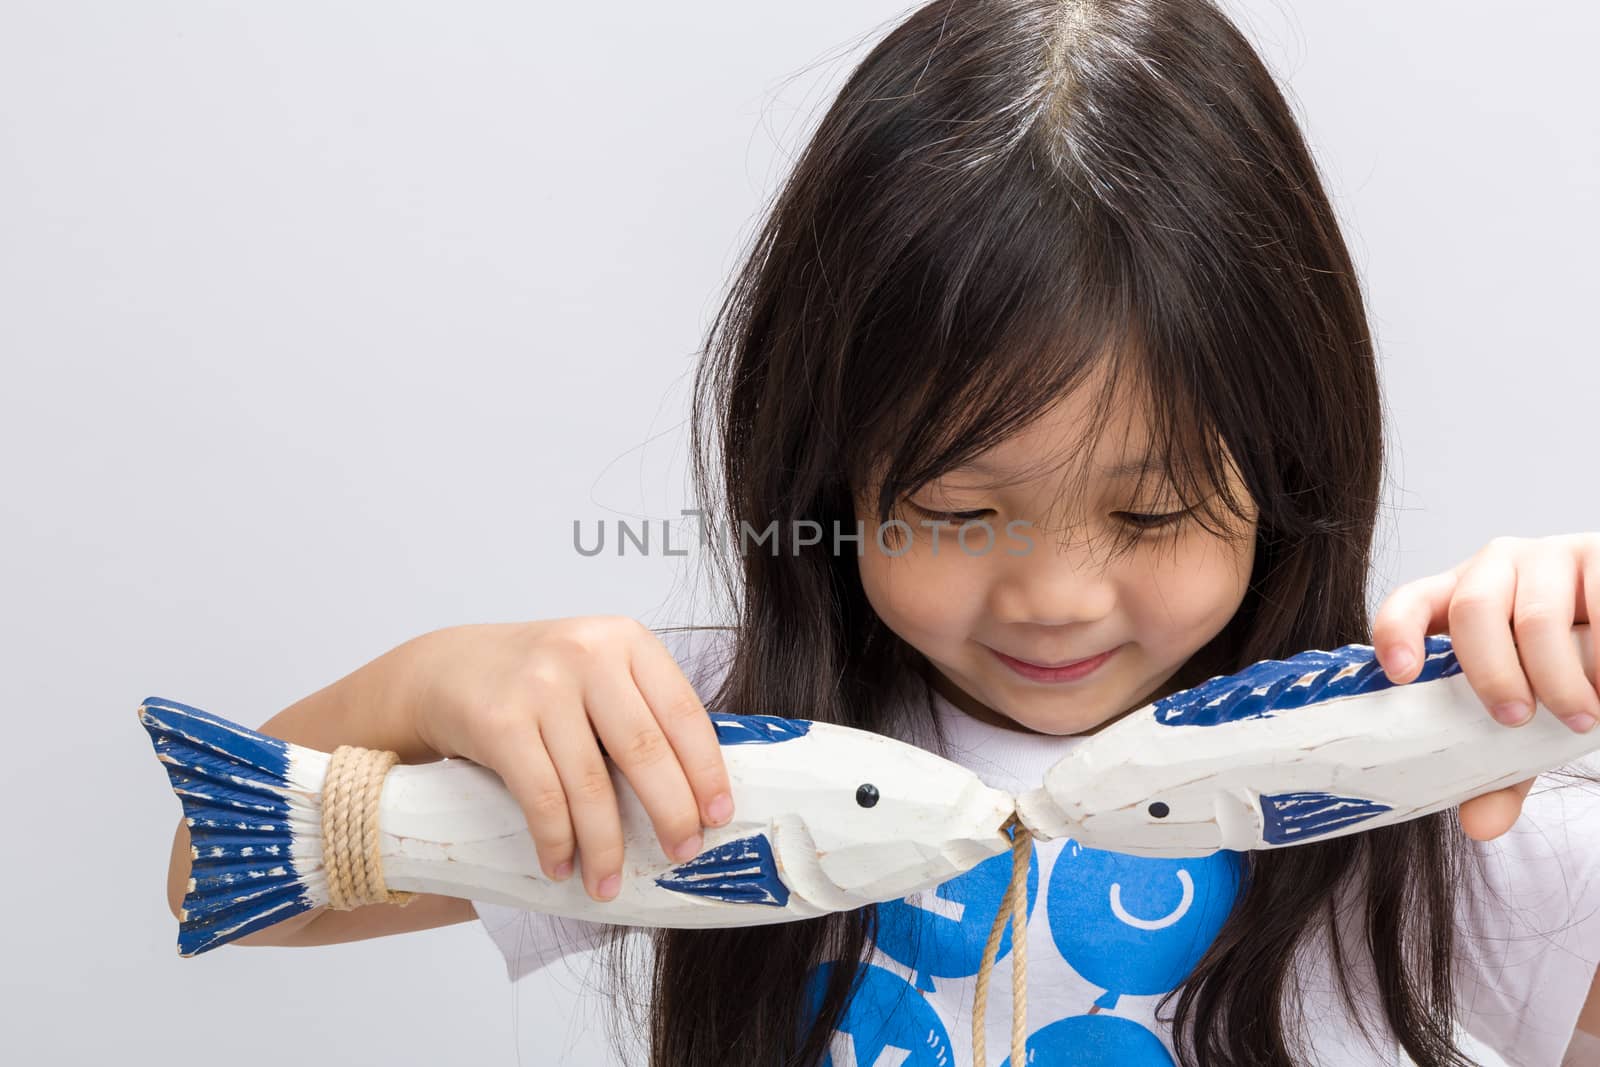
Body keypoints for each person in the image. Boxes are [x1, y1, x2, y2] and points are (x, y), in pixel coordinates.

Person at [162, 1, 1600, 1064]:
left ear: (1290, 470)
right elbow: (219, 877)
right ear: (826, 468)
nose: (1056, 595)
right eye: (962, 511)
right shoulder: (691, 746)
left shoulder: (1447, 788)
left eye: (1151, 510)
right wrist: (432, 689)